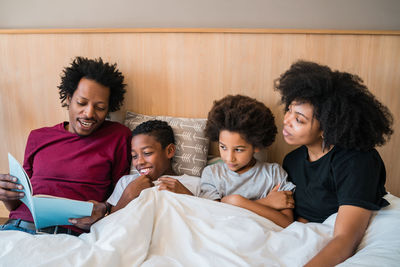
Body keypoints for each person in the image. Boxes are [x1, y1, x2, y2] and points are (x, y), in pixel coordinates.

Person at [275, 60, 394, 266]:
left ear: (327, 128)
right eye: (289, 110)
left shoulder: (358, 161)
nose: (286, 120)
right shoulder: (292, 161)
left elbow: (345, 239)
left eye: (299, 119)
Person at [0, 57, 132, 236]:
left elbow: (122, 193)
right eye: (81, 103)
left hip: (72, 236)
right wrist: (7, 196)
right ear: (69, 98)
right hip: (17, 227)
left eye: (100, 107)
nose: (89, 113)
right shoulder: (38, 137)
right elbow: (21, 201)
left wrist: (104, 210)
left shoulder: (117, 136)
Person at [199, 95, 295, 228]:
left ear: (256, 146)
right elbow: (214, 215)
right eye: (223, 147)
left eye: (238, 150)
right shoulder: (212, 174)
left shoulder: (273, 173)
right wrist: (266, 202)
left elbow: (286, 222)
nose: (229, 157)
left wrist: (233, 202)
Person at [107, 120, 198, 212]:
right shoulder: (126, 183)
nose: (139, 162)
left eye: (147, 153)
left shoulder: (194, 184)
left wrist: (187, 196)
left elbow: (208, 218)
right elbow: (109, 221)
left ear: (169, 151)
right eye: (134, 156)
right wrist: (127, 196)